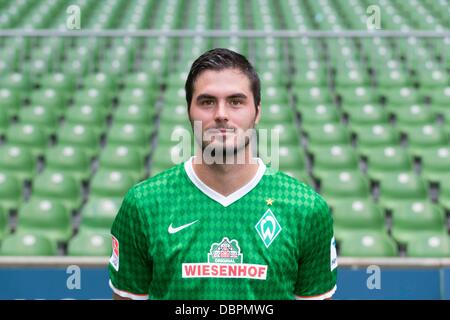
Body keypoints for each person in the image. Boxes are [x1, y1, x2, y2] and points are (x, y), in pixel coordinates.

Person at [108, 48, 337, 300]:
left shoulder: (305, 208)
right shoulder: (145, 204)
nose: (221, 114)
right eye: (207, 102)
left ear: (257, 112)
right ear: (188, 112)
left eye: (236, 101)